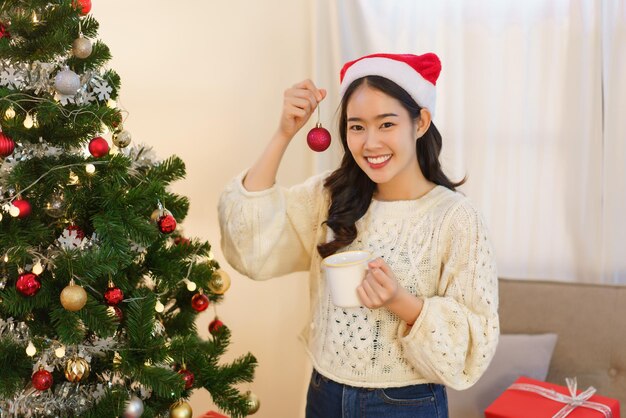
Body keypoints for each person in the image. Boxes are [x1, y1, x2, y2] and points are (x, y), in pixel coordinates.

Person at [218, 52, 499, 418]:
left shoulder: (456, 218)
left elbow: (473, 344)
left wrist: (400, 300)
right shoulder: (328, 197)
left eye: (386, 124)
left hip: (407, 404)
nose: (370, 143)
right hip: (324, 394)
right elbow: (251, 247)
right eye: (356, 127)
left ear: (420, 122)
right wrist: (284, 133)